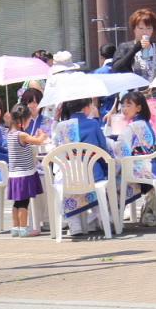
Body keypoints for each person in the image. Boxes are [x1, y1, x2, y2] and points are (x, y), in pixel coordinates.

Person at [52, 98, 112, 237]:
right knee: (97, 188)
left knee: (65, 186)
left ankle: (75, 225)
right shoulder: (93, 124)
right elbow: (103, 147)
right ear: (86, 107)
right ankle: (104, 220)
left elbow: (56, 148)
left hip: (69, 175)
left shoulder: (61, 126)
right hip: (92, 174)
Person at [109, 91, 156, 208]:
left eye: (128, 105)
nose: (124, 109)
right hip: (152, 168)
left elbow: (120, 147)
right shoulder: (145, 123)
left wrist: (107, 141)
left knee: (109, 179)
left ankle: (110, 217)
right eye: (123, 105)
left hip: (139, 171)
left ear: (139, 108)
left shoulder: (134, 126)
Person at [6, 103, 48, 237]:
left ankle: (15, 227)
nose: (30, 123)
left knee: (17, 203)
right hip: (24, 174)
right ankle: (24, 228)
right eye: (29, 120)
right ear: (21, 121)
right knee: (24, 202)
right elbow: (38, 141)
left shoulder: (10, 134)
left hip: (14, 175)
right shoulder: (22, 135)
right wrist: (42, 134)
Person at [112, 8, 156, 82]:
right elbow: (116, 69)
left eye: (149, 28)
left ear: (153, 30)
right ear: (134, 29)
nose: (145, 31)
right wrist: (135, 49)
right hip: (134, 92)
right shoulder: (125, 47)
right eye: (141, 28)